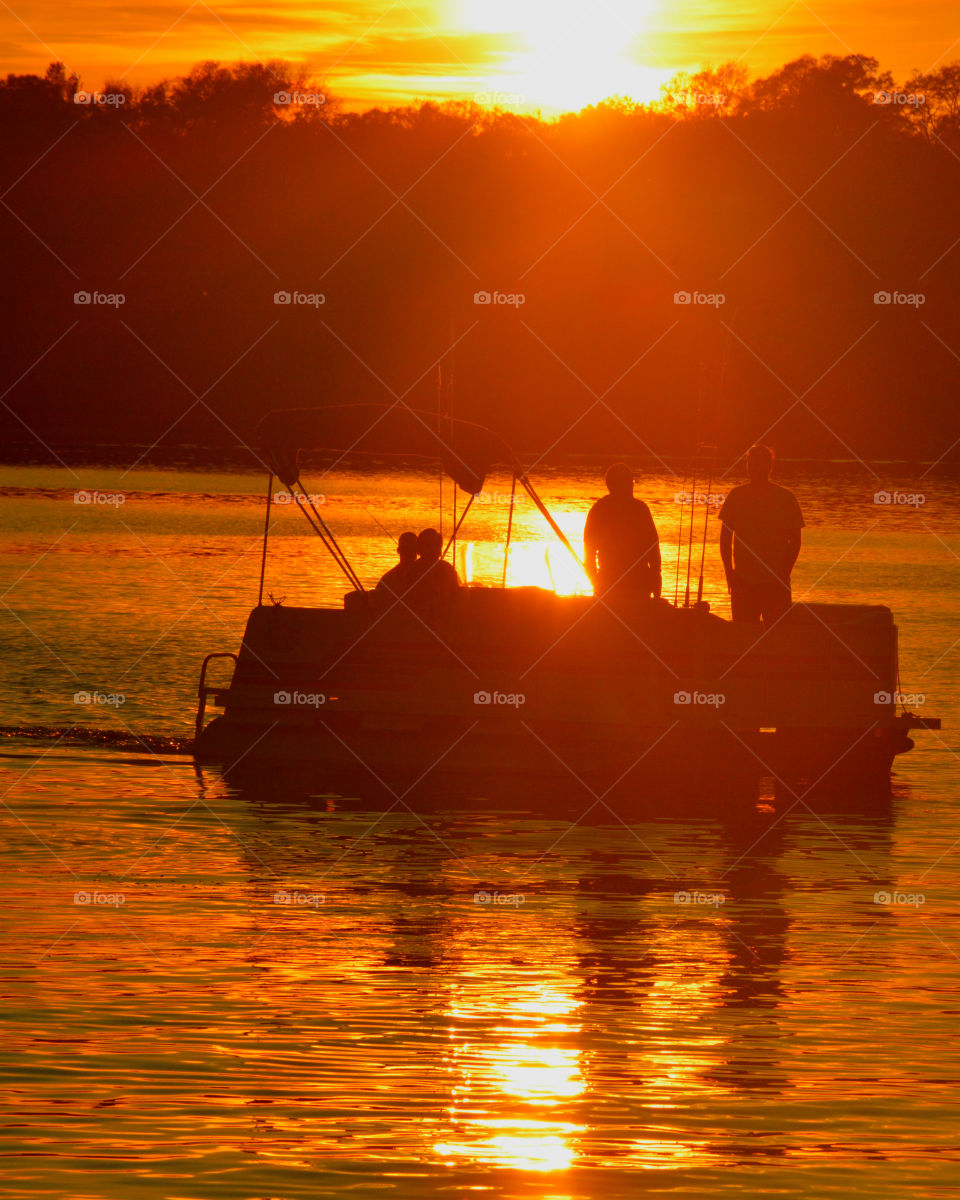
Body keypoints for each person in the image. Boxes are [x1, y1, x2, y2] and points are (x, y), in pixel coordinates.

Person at [718, 444, 803, 625]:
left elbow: (795, 542)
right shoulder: (736, 496)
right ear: (747, 467)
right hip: (743, 581)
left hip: (775, 582)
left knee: (776, 636)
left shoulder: (786, 498)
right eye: (751, 463)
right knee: (743, 635)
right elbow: (725, 539)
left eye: (759, 464)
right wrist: (729, 573)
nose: (754, 468)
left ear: (769, 467)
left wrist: (783, 574)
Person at [583, 463, 662, 599]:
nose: (633, 485)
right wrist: (656, 587)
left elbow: (589, 556)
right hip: (637, 588)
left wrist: (597, 583)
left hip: (610, 587)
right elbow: (653, 553)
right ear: (621, 485)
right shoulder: (640, 510)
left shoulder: (598, 510)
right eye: (631, 481)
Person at [408, 527, 460, 609]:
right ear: (420, 548)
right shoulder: (411, 571)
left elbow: (455, 595)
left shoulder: (448, 569)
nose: (433, 549)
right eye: (429, 546)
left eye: (437, 545)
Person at [375, 531, 419, 600]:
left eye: (411, 548)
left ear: (398, 550)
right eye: (407, 548)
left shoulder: (387, 578)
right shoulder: (425, 574)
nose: (409, 552)